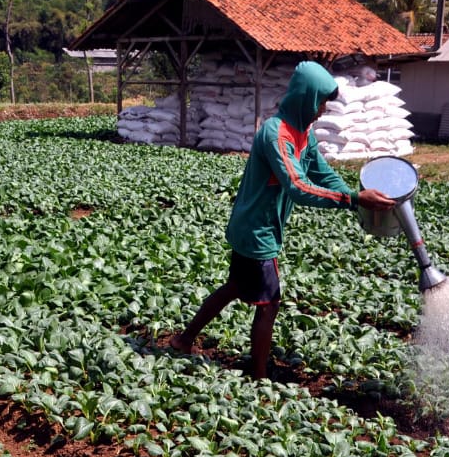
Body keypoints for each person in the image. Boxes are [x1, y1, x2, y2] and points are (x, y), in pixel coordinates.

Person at [168, 60, 395, 379]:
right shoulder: (277, 135)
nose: (322, 110)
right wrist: (354, 199)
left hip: (258, 227)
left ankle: (183, 339)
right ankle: (258, 376)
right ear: (306, 97)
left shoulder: (303, 134)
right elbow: (298, 187)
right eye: (321, 102)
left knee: (235, 286)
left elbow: (320, 172)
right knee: (269, 303)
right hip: (256, 230)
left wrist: (353, 198)